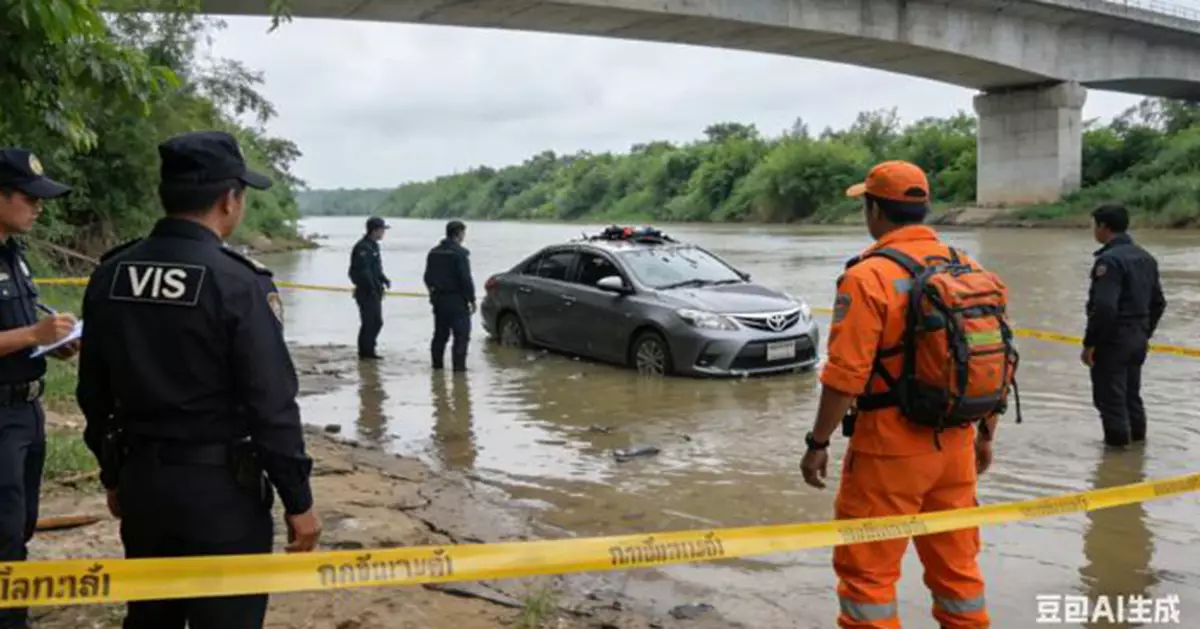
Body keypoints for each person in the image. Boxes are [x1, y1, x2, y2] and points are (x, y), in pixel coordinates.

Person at [75, 130, 321, 629]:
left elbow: (93, 392)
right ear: (229, 199)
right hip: (222, 495)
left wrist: (114, 472)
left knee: (150, 618)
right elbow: (271, 404)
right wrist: (299, 499)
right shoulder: (238, 282)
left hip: (143, 484)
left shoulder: (112, 274)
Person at [800, 160, 1018, 629]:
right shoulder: (970, 267)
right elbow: (994, 362)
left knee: (868, 577)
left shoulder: (867, 276)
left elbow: (845, 376)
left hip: (888, 450)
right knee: (958, 570)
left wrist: (818, 443)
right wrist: (985, 433)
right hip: (956, 443)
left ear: (874, 210)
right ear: (922, 209)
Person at [0, 147, 79, 629]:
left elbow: (23, 332)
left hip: (29, 411)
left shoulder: (16, 257)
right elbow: (24, 332)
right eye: (29, 197)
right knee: (4, 532)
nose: (38, 206)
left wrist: (53, 344)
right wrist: (33, 335)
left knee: (22, 523)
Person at [1081, 203, 1166, 448]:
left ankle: (1117, 458)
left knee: (1111, 400)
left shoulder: (1109, 261)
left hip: (1113, 340)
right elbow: (1158, 303)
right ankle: (1137, 452)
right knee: (1131, 397)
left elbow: (1105, 308)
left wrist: (1090, 344)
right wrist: (1144, 332)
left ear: (1103, 227)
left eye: (1094, 225)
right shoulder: (1146, 257)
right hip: (1137, 338)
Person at [423, 220, 475, 372]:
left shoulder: (433, 252)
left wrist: (433, 293)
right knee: (461, 336)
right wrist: (471, 299)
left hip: (439, 300)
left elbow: (427, 277)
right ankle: (459, 371)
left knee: (440, 335)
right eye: (463, 233)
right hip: (457, 301)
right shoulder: (460, 254)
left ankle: (437, 368)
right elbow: (465, 278)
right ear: (458, 233)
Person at [348, 216, 391, 360]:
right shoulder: (363, 247)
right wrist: (373, 288)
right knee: (370, 322)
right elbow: (364, 271)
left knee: (376, 321)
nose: (383, 233)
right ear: (374, 230)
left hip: (375, 290)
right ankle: (365, 352)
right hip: (366, 291)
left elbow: (376, 269)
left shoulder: (373, 246)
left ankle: (370, 349)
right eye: (382, 230)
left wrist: (384, 279)